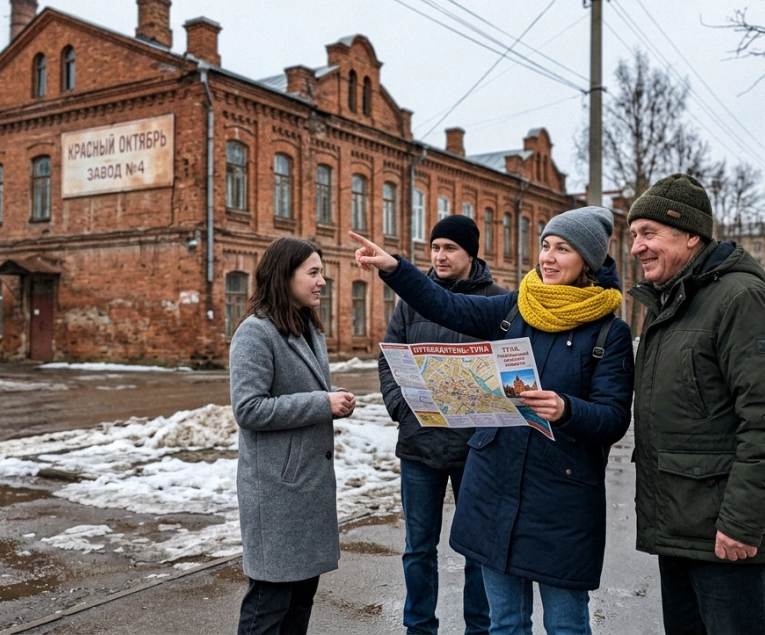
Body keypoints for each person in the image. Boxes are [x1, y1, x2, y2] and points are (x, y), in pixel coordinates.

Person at [353, 207, 634, 635]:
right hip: (495, 485)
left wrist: (566, 409)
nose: (548, 257)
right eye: (545, 246)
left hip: (561, 495)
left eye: (563, 249)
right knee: (504, 624)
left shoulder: (608, 333)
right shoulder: (514, 309)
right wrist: (395, 268)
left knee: (565, 625)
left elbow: (614, 418)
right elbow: (443, 304)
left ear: (589, 262)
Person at [626, 173, 765, 635]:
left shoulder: (741, 299)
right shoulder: (672, 303)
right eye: (633, 236)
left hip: (728, 537)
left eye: (648, 234)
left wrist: (743, 524)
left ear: (691, 235)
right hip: (682, 532)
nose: (636, 248)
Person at [379, 215, 502, 635]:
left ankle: (479, 629)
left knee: (478, 551)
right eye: (434, 247)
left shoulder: (496, 300)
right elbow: (389, 356)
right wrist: (401, 406)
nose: (439, 256)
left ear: (470, 253)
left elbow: (509, 368)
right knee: (417, 548)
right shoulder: (411, 300)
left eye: (449, 248)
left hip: (477, 448)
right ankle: (418, 628)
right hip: (420, 444)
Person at [229, 237, 356, 635]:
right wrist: (323, 403)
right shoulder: (255, 333)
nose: (322, 282)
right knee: (269, 606)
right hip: (277, 492)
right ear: (284, 277)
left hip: (307, 489)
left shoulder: (307, 328)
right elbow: (248, 409)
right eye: (313, 273)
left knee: (300, 602)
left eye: (322, 273)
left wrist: (332, 402)